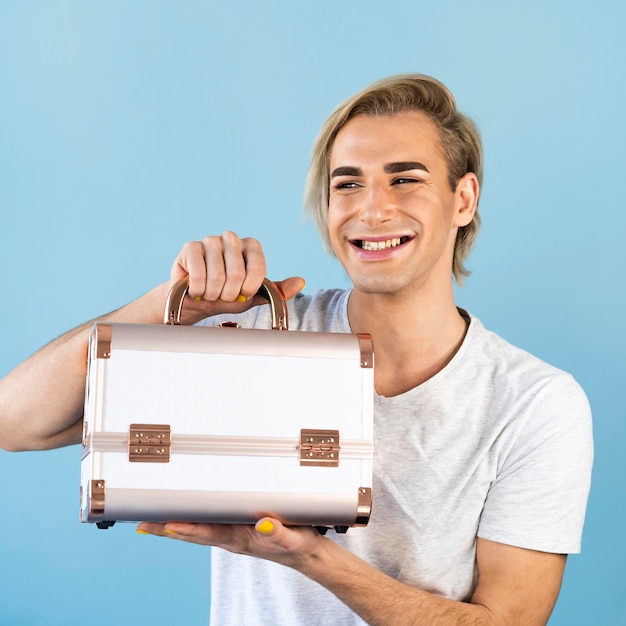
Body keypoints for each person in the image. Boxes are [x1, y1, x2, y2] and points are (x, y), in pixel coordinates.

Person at [0, 74, 593, 625]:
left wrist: (312, 557)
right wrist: (166, 305)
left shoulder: (535, 404)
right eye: (348, 183)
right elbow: (14, 421)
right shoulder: (255, 341)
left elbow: (508, 621)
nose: (372, 208)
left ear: (463, 199)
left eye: (405, 178)